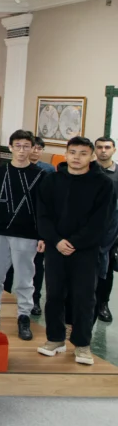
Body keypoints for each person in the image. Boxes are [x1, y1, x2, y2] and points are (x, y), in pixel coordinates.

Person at [37, 136, 116, 366]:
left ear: (91, 156)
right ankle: (55, 339)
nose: (77, 157)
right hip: (56, 248)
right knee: (54, 295)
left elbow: (101, 221)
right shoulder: (51, 180)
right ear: (66, 154)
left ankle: (82, 344)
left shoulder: (103, 184)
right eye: (73, 152)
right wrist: (56, 240)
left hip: (86, 251)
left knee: (84, 298)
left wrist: (75, 243)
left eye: (83, 153)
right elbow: (42, 215)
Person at [0, 130, 45, 340]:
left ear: (32, 148)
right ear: (11, 147)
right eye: (18, 146)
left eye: (26, 146)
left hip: (27, 234)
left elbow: (45, 208)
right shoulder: (0, 172)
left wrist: (42, 235)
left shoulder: (41, 175)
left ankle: (24, 316)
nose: (22, 150)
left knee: (24, 279)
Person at [94, 136, 118, 321]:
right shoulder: (89, 171)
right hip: (89, 229)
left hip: (112, 230)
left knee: (106, 269)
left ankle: (103, 304)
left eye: (107, 147)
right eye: (100, 147)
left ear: (114, 150)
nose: (103, 150)